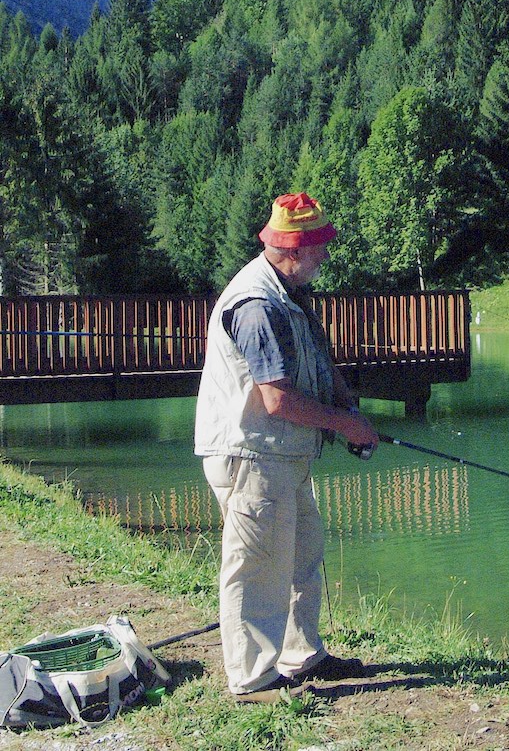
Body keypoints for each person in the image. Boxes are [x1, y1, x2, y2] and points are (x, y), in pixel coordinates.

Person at [194, 192, 380, 704]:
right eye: (319, 246)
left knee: (301, 558)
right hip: (252, 454)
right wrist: (346, 426)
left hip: (283, 456)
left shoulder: (290, 293)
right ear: (294, 249)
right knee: (256, 568)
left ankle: (303, 656)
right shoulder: (257, 304)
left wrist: (345, 402)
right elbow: (276, 400)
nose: (325, 255)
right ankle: (253, 681)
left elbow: (315, 361)